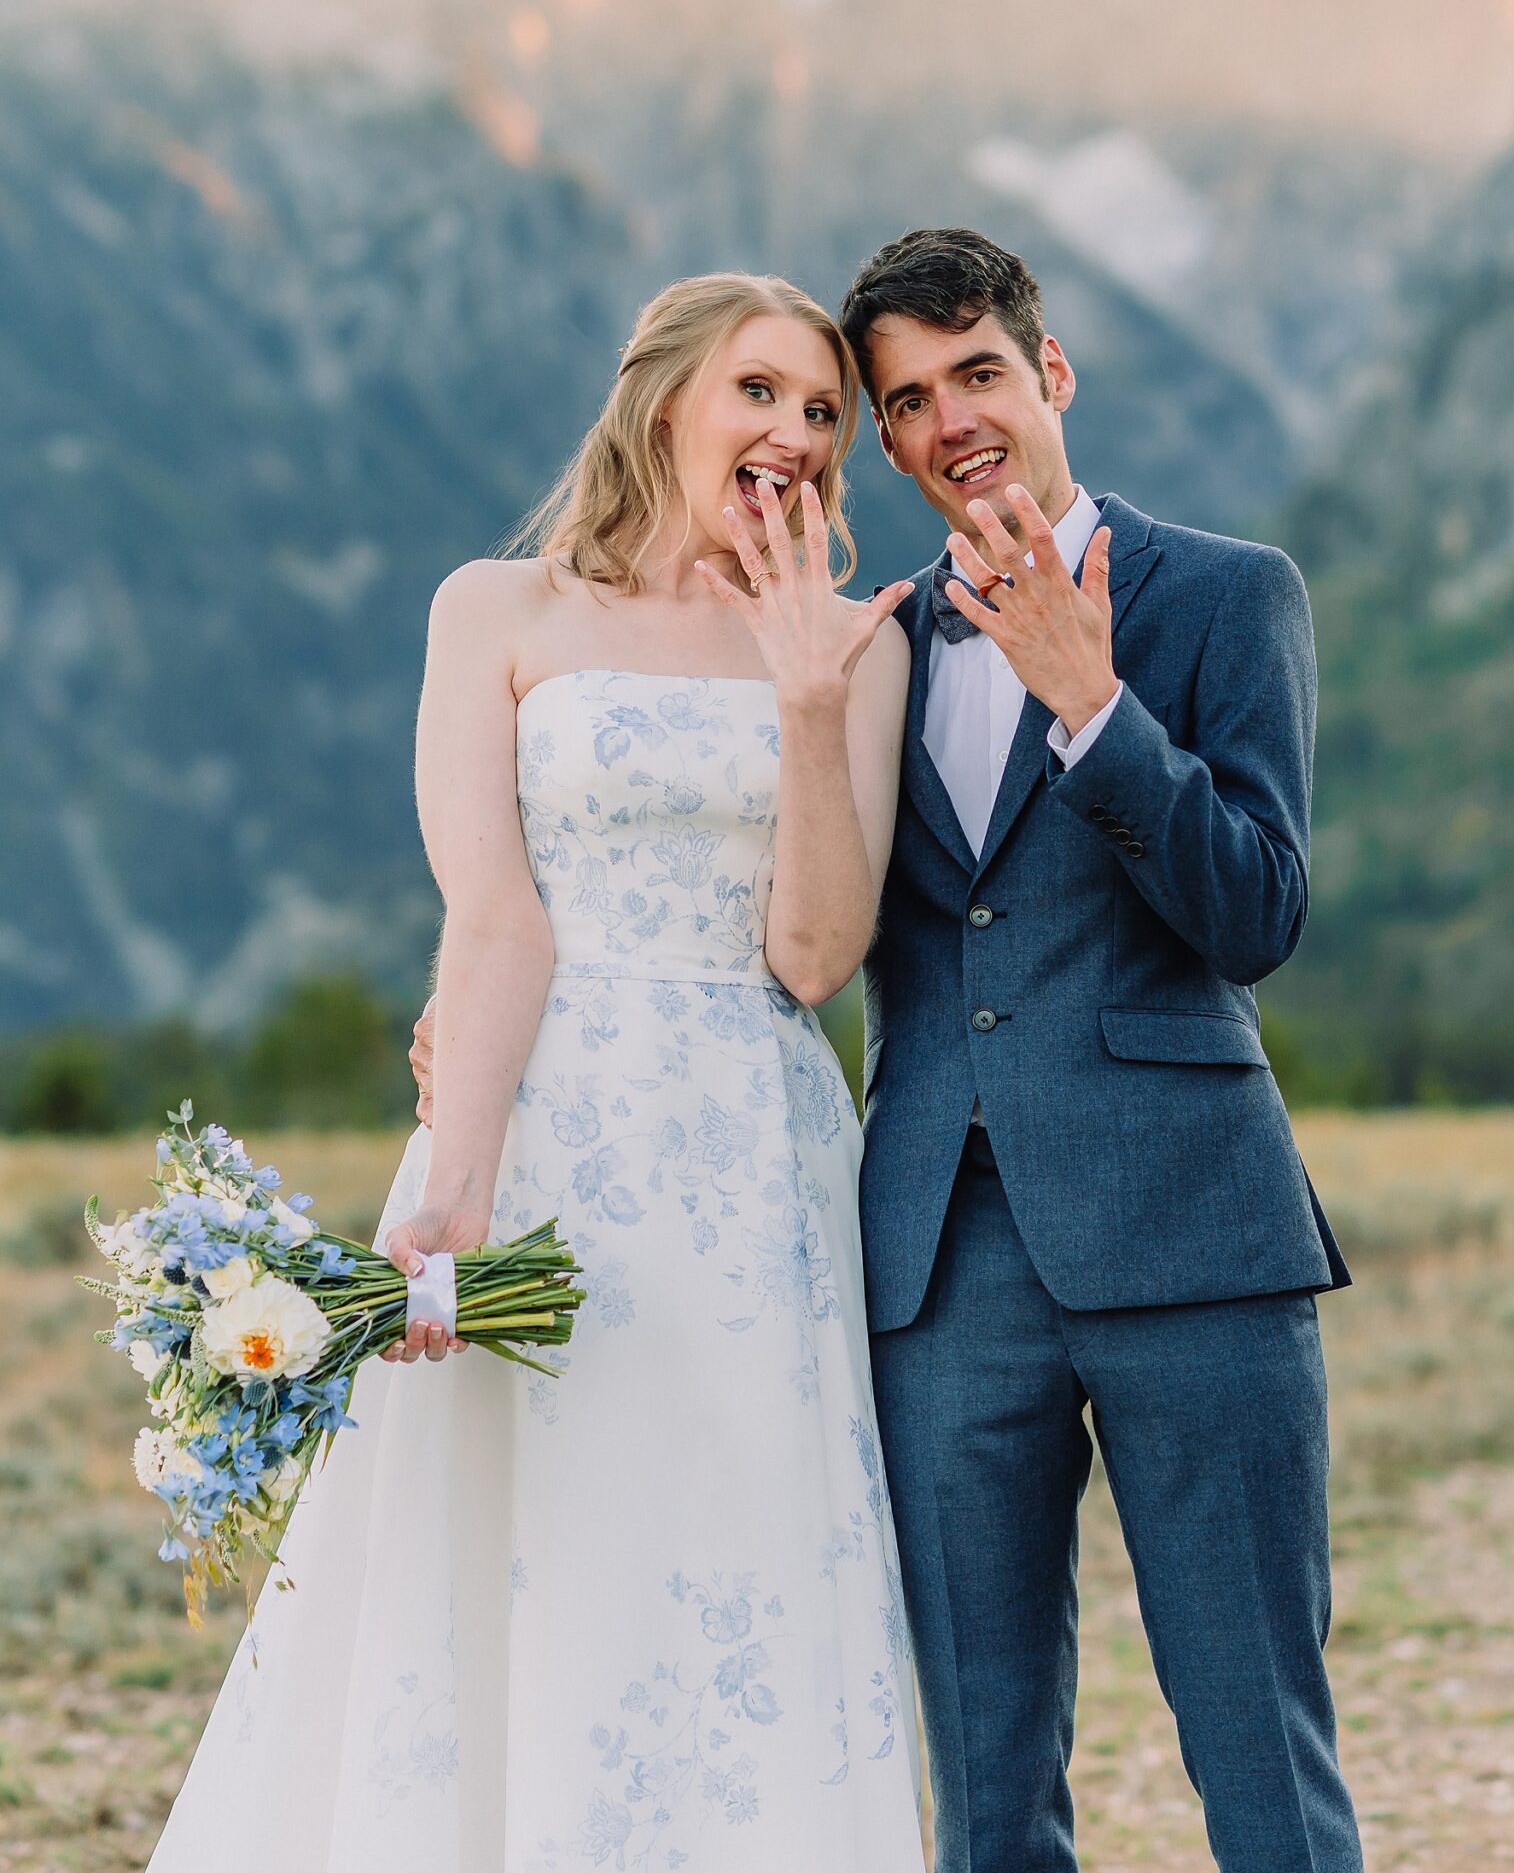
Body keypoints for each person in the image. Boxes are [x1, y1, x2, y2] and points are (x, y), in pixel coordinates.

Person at [411, 228, 1366, 1873]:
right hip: (932, 1262)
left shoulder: (1225, 593)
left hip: (1190, 1233)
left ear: (1049, 375)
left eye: (977, 375)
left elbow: (1261, 912)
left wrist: (1097, 712)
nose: (947, 422)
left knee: (1255, 1732)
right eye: (906, 401)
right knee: (986, 1774)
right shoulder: (870, 640)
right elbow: (803, 923)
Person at [147, 273, 927, 1873]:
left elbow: (816, 956)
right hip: (554, 1126)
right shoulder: (493, 614)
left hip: (751, 1165)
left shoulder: (861, 644)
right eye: (760, 393)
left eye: (825, 412)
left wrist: (805, 694)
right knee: (525, 1549)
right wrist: (455, 1194)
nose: (796, 434)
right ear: (664, 403)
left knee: (738, 1547)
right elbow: (495, 920)